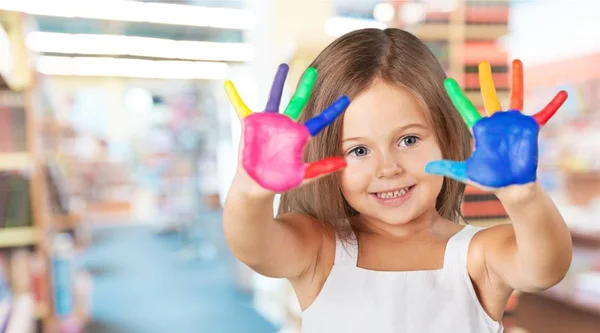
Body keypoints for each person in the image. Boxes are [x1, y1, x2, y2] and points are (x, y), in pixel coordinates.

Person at [222, 28, 573, 333]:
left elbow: (546, 268)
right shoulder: (320, 248)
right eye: (359, 151)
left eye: (408, 140)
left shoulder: (478, 255)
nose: (388, 168)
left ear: (446, 136)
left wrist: (523, 196)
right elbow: (254, 247)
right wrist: (250, 191)